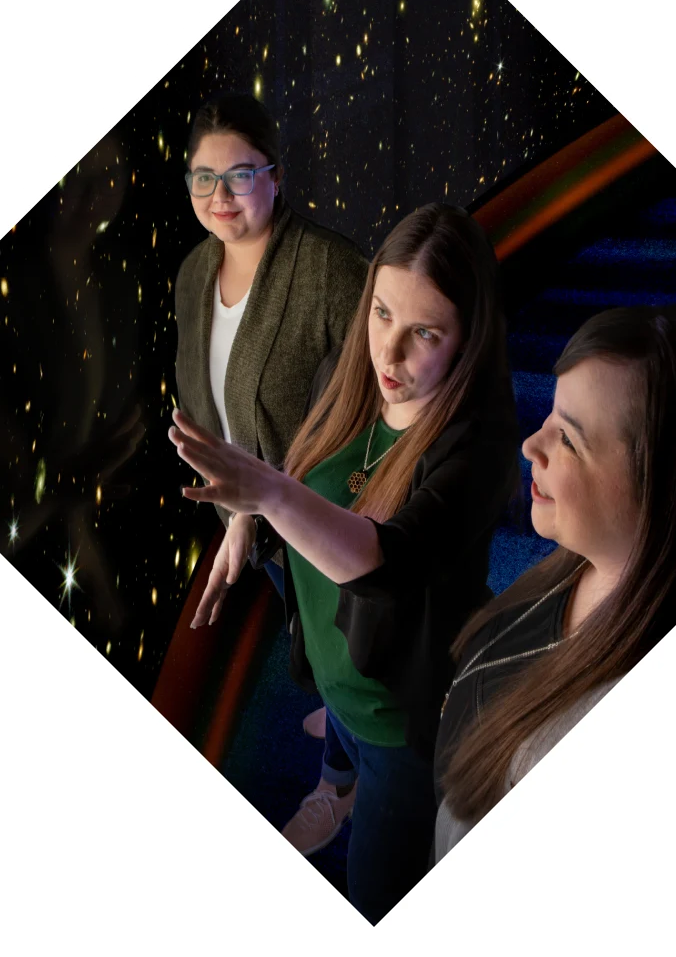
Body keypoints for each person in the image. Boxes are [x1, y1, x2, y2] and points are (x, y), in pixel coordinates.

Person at [170, 203, 519, 924]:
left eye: (423, 333)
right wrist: (246, 516)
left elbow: (385, 564)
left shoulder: (478, 445)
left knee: (376, 903)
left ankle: (351, 780)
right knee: (335, 720)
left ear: (468, 338)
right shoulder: (351, 367)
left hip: (402, 718)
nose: (386, 355)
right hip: (338, 669)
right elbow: (308, 470)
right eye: (381, 314)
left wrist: (264, 493)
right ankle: (336, 778)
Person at [432, 304, 676, 863]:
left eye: (569, 441)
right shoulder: (585, 559)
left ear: (670, 489)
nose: (532, 446)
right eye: (551, 417)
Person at [172, 93, 369, 839]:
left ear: (276, 177)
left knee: (348, 637)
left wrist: (255, 508)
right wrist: (235, 512)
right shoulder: (194, 271)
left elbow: (365, 400)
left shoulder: (327, 266)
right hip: (247, 512)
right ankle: (337, 700)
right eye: (202, 178)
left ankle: (339, 786)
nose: (220, 197)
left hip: (322, 499)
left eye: (240, 175)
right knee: (311, 630)